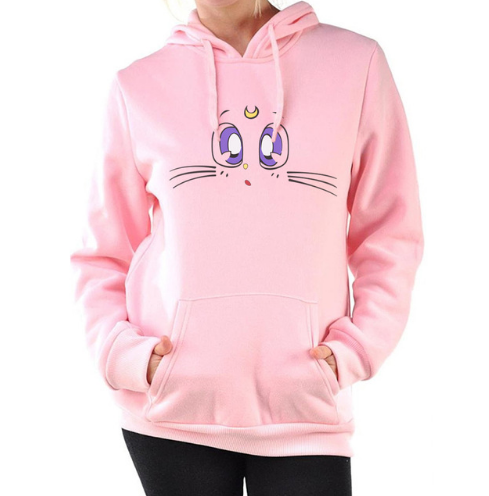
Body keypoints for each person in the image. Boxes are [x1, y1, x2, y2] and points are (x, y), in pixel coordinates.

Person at [69, 0, 424, 494]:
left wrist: (357, 348)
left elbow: (390, 232)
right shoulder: (138, 87)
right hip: (171, 414)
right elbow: (103, 252)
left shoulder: (355, 65)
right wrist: (121, 353)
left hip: (306, 413)